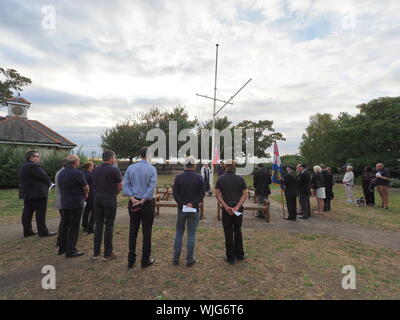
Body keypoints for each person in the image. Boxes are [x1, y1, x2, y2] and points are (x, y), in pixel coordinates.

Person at [123, 147, 157, 269]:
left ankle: (131, 260)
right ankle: (145, 260)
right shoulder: (152, 169)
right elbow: (151, 187)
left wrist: (133, 199)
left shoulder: (130, 168)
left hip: (133, 202)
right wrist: (142, 200)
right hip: (146, 203)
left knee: (133, 230)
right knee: (146, 232)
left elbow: (125, 184)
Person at [172, 156, 205, 267]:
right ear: (194, 166)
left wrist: (183, 204)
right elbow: (202, 194)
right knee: (191, 234)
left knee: (179, 232)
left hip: (182, 209)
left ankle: (176, 258)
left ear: (185, 165)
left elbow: (175, 193)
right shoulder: (199, 178)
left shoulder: (178, 177)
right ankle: (189, 259)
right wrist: (193, 204)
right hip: (193, 209)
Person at [215, 160, 248, 265]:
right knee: (238, 231)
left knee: (228, 232)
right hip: (237, 209)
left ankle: (230, 257)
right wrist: (237, 207)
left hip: (227, 210)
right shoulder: (240, 178)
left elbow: (217, 195)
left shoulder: (220, 179)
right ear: (234, 167)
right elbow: (245, 195)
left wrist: (226, 207)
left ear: (225, 167)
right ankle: (240, 255)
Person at [18, 150, 56, 238]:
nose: (38, 158)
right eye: (37, 156)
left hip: (27, 193)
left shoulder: (23, 166)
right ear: (31, 158)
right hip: (37, 193)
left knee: (27, 212)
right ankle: (43, 232)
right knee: (40, 213)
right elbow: (43, 176)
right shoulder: (33, 166)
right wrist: (50, 183)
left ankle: (27, 231)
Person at [92, 151, 122, 261]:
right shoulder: (114, 170)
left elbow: (94, 182)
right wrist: (114, 193)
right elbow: (119, 186)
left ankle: (96, 252)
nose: (115, 159)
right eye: (114, 157)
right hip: (109, 198)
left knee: (98, 224)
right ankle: (108, 253)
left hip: (97, 198)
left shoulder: (96, 169)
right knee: (109, 225)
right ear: (111, 158)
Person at [57, 155, 89, 258]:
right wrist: (85, 195)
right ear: (75, 162)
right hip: (75, 202)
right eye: (78, 161)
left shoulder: (61, 173)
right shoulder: (77, 172)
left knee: (65, 224)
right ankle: (71, 250)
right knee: (74, 227)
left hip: (64, 202)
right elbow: (85, 187)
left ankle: (63, 247)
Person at [54, 158, 67, 247]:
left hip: (61, 199)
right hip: (65, 200)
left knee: (64, 220)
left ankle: (61, 239)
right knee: (65, 221)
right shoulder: (64, 173)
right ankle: (61, 240)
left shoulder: (59, 172)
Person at [80, 161, 95, 234]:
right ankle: (90, 228)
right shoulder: (89, 174)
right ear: (89, 167)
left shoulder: (82, 173)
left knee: (86, 210)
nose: (93, 167)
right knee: (93, 210)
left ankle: (84, 225)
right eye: (92, 165)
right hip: (90, 194)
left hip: (85, 194)